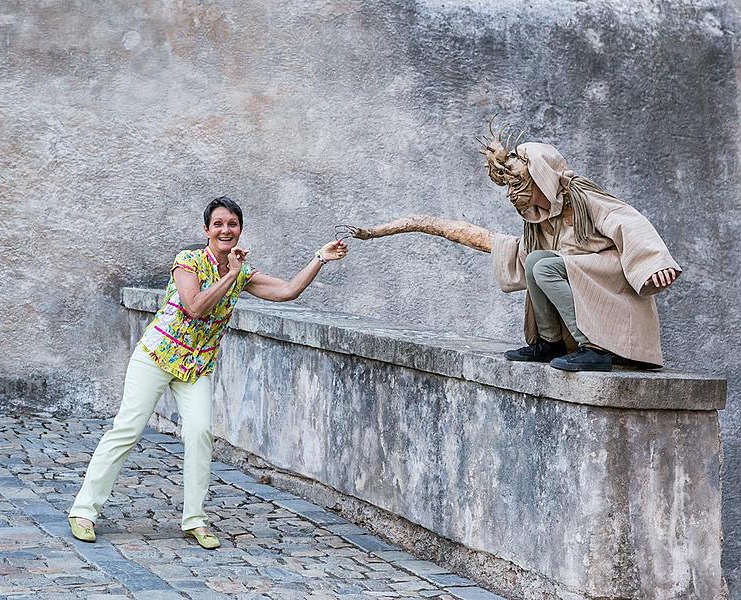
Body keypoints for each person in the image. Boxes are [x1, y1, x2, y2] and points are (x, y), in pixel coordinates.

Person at [68, 196, 348, 548]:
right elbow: (196, 306)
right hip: (157, 356)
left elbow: (287, 291)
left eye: (232, 224)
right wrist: (231, 275)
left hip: (196, 366)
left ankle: (194, 520)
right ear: (207, 230)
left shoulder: (242, 272)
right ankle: (84, 511)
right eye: (218, 224)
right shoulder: (189, 261)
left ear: (240, 229)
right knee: (127, 429)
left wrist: (319, 258)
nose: (225, 229)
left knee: (200, 433)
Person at [344, 123, 679, 372]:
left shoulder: (581, 198)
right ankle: (549, 343)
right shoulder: (541, 226)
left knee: (543, 264)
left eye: (519, 182)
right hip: (582, 278)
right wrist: (393, 230)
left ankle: (595, 347)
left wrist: (653, 262)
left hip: (609, 289)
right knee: (536, 260)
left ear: (543, 177)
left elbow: (627, 221)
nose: (511, 193)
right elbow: (500, 246)